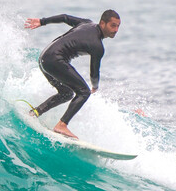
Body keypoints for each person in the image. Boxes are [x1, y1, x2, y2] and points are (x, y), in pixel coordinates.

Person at [24, 10, 121, 139]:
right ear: (102, 23)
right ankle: (62, 125)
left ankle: (35, 112)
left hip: (44, 59)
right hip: (55, 60)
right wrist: (95, 86)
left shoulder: (86, 23)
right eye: (113, 25)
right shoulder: (97, 46)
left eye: (118, 26)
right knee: (84, 92)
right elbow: (94, 72)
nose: (116, 30)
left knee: (67, 93)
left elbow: (64, 17)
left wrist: (42, 22)